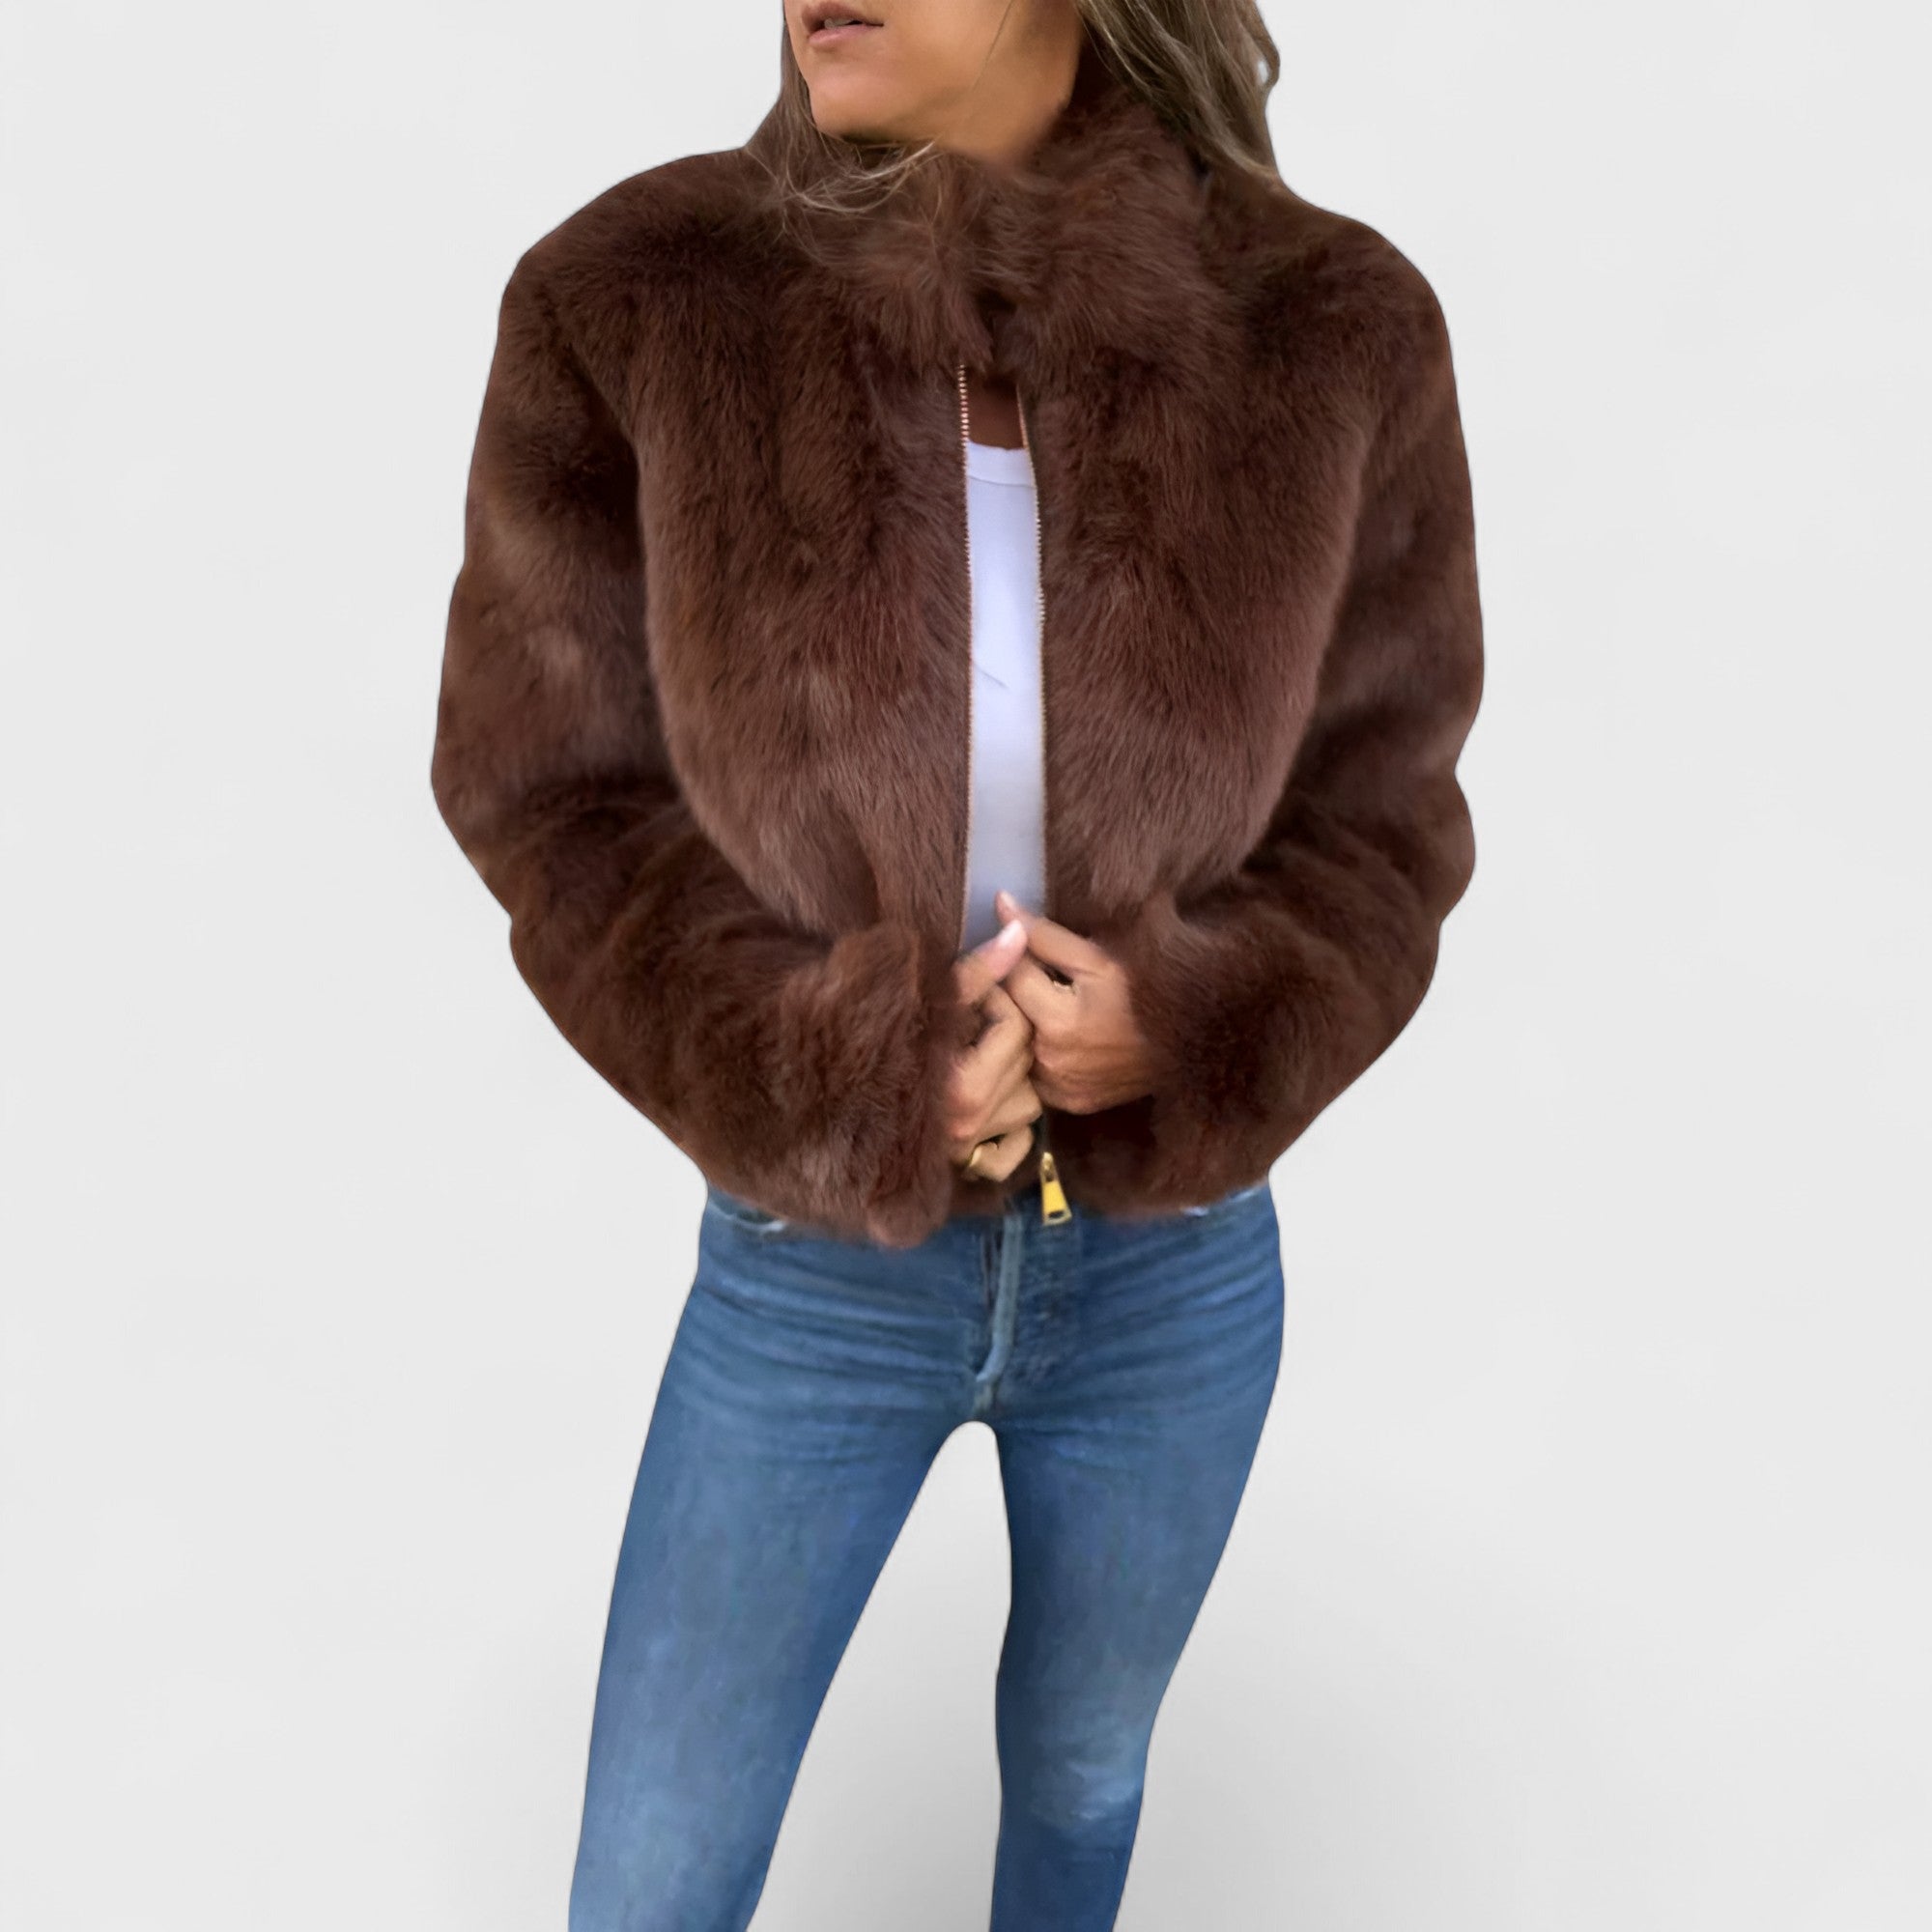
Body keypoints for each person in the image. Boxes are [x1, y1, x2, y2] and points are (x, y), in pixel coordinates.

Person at [430, 1, 1483, 1923]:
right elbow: (549, 792)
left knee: (1084, 1774)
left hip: (1173, 1269)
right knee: (654, 1869)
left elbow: (1386, 806)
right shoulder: (631, 303)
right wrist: (834, 1065)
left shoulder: (1334, 330)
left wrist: (1187, 1019)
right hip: (813, 1265)